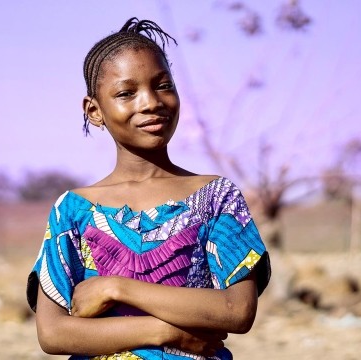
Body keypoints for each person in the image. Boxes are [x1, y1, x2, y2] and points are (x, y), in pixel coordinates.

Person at [26, 17, 271, 360]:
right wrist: (164, 332)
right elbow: (53, 333)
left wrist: (115, 287)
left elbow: (236, 310)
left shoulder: (216, 197)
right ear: (94, 110)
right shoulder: (73, 210)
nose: (150, 102)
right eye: (127, 93)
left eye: (163, 86)